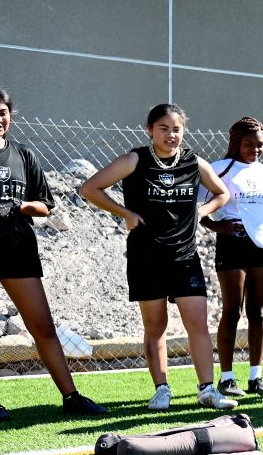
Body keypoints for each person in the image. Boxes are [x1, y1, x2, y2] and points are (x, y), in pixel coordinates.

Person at [78, 103, 238, 410]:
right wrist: (123, 212)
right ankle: (161, 390)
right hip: (146, 257)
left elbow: (222, 193)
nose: (170, 135)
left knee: (198, 324)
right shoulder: (135, 159)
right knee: (155, 326)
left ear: (183, 131)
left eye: (176, 129)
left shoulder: (193, 161)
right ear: (149, 130)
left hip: (184, 256)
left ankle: (207, 389)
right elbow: (90, 188)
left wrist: (201, 211)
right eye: (163, 128)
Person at [0, 87, 106, 421]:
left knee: (42, 327)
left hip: (17, 250)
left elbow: (45, 205)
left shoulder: (23, 155)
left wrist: (19, 205)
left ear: (10, 114)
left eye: (2, 112)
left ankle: (71, 397)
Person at [199, 117, 263, 396]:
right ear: (236, 142)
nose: (255, 150)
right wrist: (215, 225)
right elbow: (195, 204)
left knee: (258, 312)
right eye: (249, 144)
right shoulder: (219, 169)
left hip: (261, 245)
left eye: (260, 145)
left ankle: (256, 377)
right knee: (232, 310)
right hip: (232, 243)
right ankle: (226, 377)